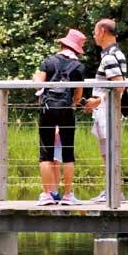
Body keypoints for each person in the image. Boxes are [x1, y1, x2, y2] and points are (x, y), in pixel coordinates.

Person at [33, 29, 86, 205]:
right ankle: (68, 195)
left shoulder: (48, 61)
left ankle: (47, 194)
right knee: (68, 154)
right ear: (76, 49)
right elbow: (78, 95)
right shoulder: (78, 67)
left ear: (62, 44)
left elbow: (37, 84)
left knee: (46, 153)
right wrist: (73, 103)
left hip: (48, 109)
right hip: (67, 110)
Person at [83, 18, 128, 204]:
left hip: (106, 112)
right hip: (107, 110)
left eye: (94, 31)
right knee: (108, 150)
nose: (94, 35)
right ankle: (112, 189)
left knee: (108, 151)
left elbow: (119, 86)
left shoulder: (109, 57)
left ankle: (113, 191)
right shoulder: (115, 53)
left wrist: (97, 101)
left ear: (102, 31)